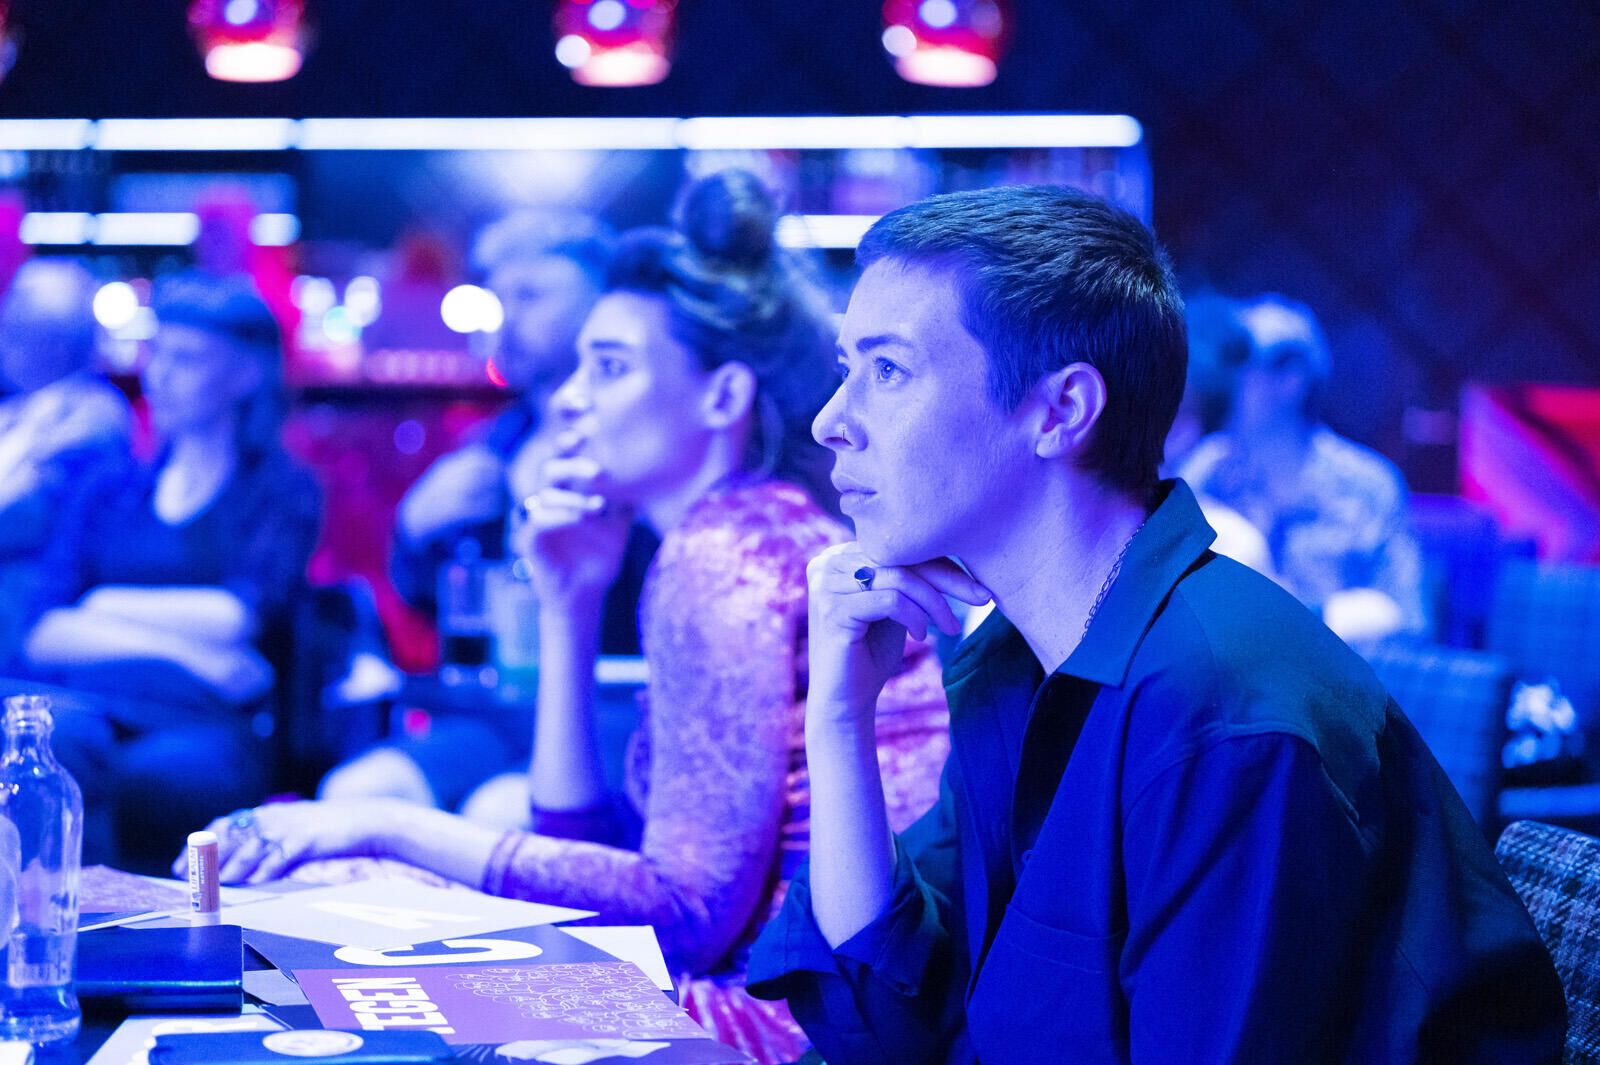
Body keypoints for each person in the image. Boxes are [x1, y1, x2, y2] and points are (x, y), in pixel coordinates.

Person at [744, 185, 1566, 1064]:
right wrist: (838, 719)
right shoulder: (1020, 659)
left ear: (1061, 410)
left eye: (888, 372)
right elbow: (897, 1023)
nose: (830, 423)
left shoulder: (1225, 719)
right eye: (847, 370)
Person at [183, 171, 951, 1065]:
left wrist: (381, 823)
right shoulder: (747, 528)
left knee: (333, 898)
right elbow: (579, 854)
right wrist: (569, 605)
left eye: (610, 367)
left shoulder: (725, 554)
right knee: (338, 906)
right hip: (784, 1000)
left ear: (722, 398)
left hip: (777, 1027)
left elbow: (681, 920)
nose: (571, 398)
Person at [328, 210, 657, 814]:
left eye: (531, 296)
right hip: (496, 711)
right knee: (352, 795)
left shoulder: (648, 433)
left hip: (617, 707)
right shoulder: (493, 443)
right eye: (500, 299)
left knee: (498, 811)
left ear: (604, 302)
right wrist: (413, 530)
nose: (509, 319)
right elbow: (428, 606)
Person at [21, 272, 320, 870]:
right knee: (55, 746)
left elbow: (237, 617)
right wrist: (191, 653)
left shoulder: (279, 489)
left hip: (212, 720)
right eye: (156, 354)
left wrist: (99, 606)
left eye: (186, 359)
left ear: (245, 374)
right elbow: (44, 629)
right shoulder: (110, 487)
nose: (159, 375)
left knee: (160, 774)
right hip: (93, 698)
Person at [1177, 294, 1426, 646]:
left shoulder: (1368, 484)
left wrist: (1319, 619)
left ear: (1291, 379)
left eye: (1239, 363)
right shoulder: (1204, 470)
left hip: (1336, 673)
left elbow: (1408, 619)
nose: (1221, 381)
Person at [0, 258, 132, 667]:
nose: (2, 341)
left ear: (58, 346)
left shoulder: (94, 415)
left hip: (27, 608)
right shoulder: (16, 409)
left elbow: (22, 515)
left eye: (16, 331)